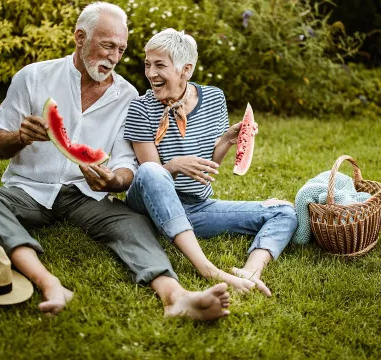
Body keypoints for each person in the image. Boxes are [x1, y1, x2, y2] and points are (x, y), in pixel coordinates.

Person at [0, 3, 230, 320]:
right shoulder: (33, 77)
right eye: (107, 46)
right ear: (80, 37)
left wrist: (113, 181)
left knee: (132, 222)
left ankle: (175, 296)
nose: (114, 57)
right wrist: (20, 137)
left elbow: (127, 167)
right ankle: (47, 281)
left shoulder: (128, 97)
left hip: (84, 196)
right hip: (28, 190)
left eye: (121, 49)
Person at [124, 28, 298, 297]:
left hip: (195, 208)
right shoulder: (140, 108)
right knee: (150, 171)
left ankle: (251, 270)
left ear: (185, 70)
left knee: (284, 211)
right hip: (146, 208)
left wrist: (228, 140)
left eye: (160, 65)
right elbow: (150, 175)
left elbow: (207, 166)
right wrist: (175, 165)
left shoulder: (214, 98)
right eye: (148, 64)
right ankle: (207, 268)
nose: (150, 73)